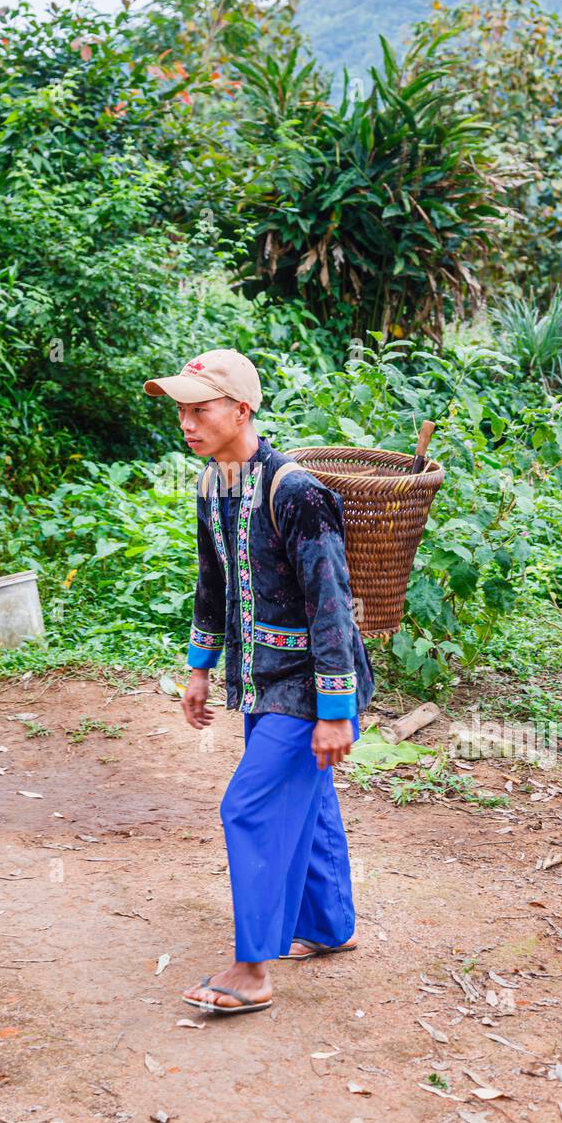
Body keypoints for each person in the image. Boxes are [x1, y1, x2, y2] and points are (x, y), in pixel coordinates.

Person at [143, 348, 375, 1016]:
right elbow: (211, 582)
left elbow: (332, 602)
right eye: (182, 411)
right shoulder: (213, 484)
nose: (186, 422)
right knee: (312, 801)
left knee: (251, 807)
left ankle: (252, 969)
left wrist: (335, 712)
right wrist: (198, 668)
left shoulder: (297, 492)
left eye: (200, 409)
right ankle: (327, 926)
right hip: (258, 679)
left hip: (307, 688)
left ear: (241, 410)